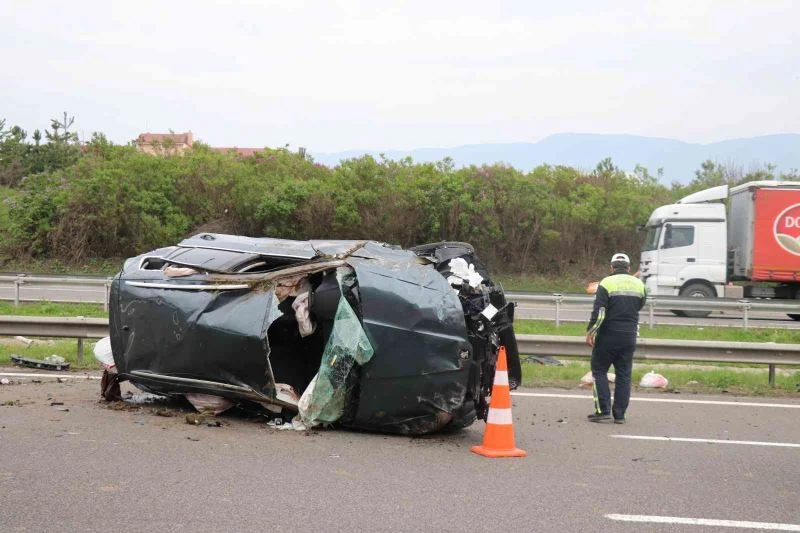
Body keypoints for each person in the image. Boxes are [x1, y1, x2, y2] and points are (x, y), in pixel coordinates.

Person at [585, 252, 646, 424]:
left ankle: (603, 410)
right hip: (629, 336)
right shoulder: (639, 284)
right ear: (628, 268)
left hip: (608, 336)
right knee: (624, 375)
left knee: (599, 370)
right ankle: (620, 415)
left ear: (611, 268)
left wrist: (591, 331)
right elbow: (640, 305)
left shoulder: (606, 282)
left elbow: (600, 312)